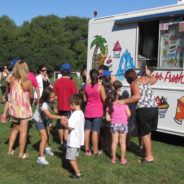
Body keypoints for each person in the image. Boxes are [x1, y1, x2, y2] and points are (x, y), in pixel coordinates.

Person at [122, 66, 158, 163]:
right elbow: (154, 80)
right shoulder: (144, 79)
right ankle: (145, 152)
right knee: (148, 132)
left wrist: (123, 101)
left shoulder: (133, 84)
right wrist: (148, 74)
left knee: (144, 133)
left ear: (128, 79)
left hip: (143, 109)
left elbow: (137, 96)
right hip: (153, 108)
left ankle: (149, 157)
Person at [7, 60, 33, 159]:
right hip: (24, 111)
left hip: (14, 110)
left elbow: (9, 90)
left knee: (14, 129)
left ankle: (10, 150)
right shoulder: (28, 82)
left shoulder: (12, 81)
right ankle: (21, 154)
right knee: (23, 132)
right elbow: (31, 95)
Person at [33, 87, 63, 165]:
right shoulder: (43, 105)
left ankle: (46, 148)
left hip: (45, 118)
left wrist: (54, 108)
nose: (54, 98)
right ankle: (41, 158)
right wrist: (60, 117)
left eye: (54, 96)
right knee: (44, 138)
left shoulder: (50, 100)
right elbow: (49, 116)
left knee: (48, 134)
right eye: (52, 97)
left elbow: (51, 104)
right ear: (46, 97)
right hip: (39, 120)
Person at [53, 63, 77, 149]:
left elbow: (54, 96)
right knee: (66, 125)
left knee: (60, 125)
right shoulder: (72, 83)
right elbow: (75, 96)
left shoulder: (57, 83)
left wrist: (53, 107)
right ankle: (66, 142)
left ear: (61, 72)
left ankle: (62, 142)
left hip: (60, 106)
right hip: (69, 107)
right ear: (70, 71)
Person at [83, 69, 106, 156]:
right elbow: (104, 100)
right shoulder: (100, 87)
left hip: (88, 110)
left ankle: (86, 149)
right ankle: (95, 151)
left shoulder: (86, 87)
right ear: (98, 76)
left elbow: (85, 99)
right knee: (95, 132)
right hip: (97, 111)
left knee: (87, 131)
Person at [62, 94, 84, 179]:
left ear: (73, 104)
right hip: (78, 140)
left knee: (70, 158)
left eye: (70, 104)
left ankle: (78, 174)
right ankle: (75, 169)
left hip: (73, 140)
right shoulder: (81, 113)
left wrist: (64, 124)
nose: (69, 106)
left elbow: (70, 127)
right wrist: (68, 121)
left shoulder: (75, 114)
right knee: (74, 156)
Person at [105, 89, 131, 164]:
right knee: (123, 142)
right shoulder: (124, 105)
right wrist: (124, 118)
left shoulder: (109, 106)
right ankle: (122, 159)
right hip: (123, 124)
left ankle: (113, 158)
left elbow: (107, 118)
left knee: (114, 142)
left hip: (114, 124)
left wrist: (112, 118)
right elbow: (129, 114)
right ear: (117, 96)